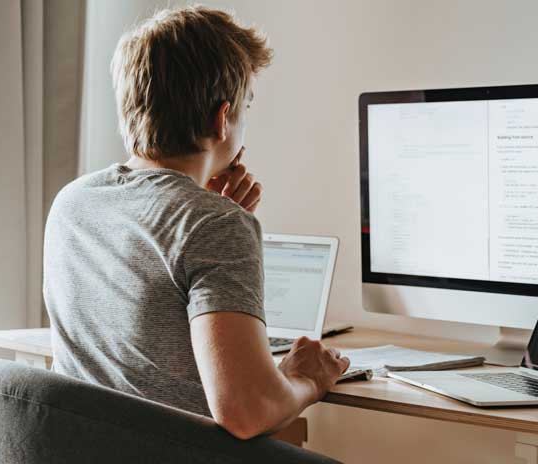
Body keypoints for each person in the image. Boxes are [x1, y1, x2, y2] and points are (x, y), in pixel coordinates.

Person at [42, 4, 349, 453]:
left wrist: (209, 208)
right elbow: (247, 412)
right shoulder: (215, 224)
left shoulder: (72, 202)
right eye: (245, 108)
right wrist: (305, 379)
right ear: (222, 118)